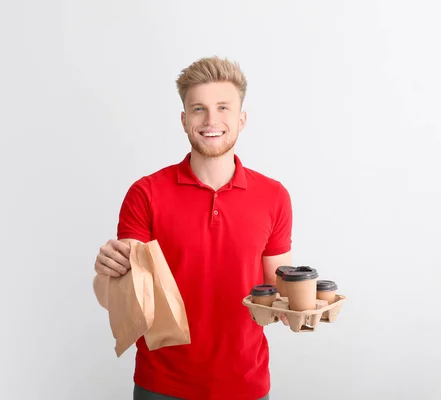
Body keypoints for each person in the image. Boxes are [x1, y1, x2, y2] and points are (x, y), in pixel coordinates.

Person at [93, 56, 293, 400]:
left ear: (241, 119)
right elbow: (118, 300)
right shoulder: (146, 193)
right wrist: (104, 273)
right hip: (162, 385)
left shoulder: (274, 196)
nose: (211, 120)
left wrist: (303, 306)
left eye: (223, 108)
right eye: (199, 109)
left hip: (245, 384)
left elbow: (279, 292)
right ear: (185, 120)